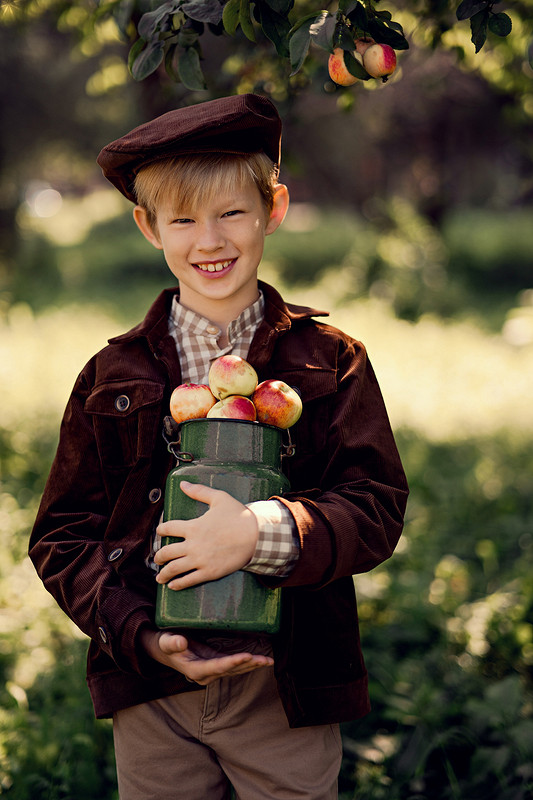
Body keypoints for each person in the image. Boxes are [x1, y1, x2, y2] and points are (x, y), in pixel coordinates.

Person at [29, 94, 408, 799]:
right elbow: (62, 534)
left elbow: (375, 505)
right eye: (182, 218)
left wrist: (261, 534)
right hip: (153, 693)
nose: (209, 239)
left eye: (232, 212)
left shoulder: (331, 361)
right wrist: (139, 635)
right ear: (148, 227)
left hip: (284, 686)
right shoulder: (109, 377)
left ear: (273, 208)